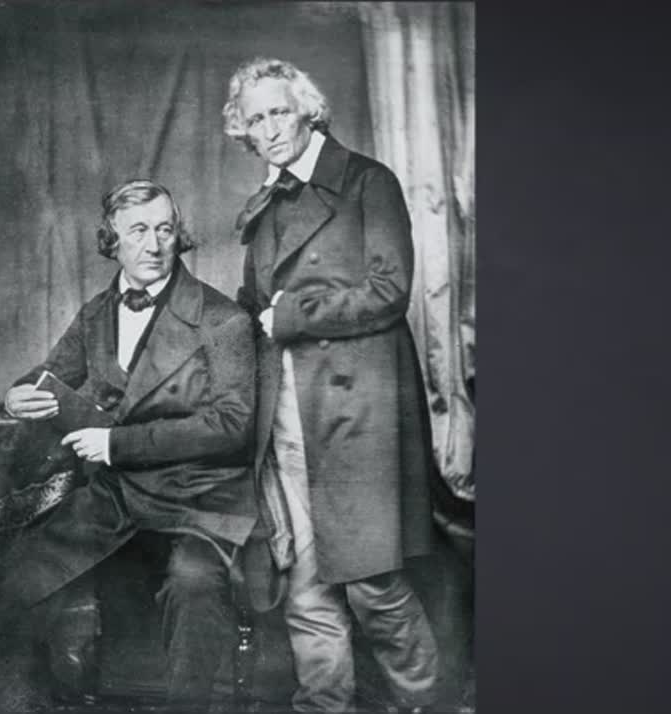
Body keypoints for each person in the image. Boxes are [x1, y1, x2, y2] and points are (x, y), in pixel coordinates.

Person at [0, 179, 257, 714]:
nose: (154, 245)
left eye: (165, 230)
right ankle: (0, 700)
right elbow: (49, 375)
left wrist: (118, 443)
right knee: (26, 568)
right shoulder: (97, 314)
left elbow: (234, 426)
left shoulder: (223, 319)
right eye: (137, 231)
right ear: (112, 241)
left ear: (179, 236)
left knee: (193, 584)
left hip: (200, 499)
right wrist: (15, 394)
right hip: (118, 495)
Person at [224, 57, 441, 713]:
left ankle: (424, 701)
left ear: (308, 113)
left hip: (358, 410)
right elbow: (253, 304)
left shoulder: (368, 181)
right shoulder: (266, 203)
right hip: (287, 407)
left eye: (279, 112)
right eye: (255, 119)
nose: (270, 129)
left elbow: (389, 289)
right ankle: (324, 704)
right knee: (306, 582)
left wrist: (293, 316)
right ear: (244, 131)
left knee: (372, 582)